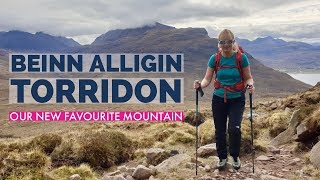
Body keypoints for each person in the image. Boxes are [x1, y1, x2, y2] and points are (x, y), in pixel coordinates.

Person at [193, 29, 254, 170]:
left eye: (228, 42)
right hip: (219, 99)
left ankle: (235, 156)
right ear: (219, 43)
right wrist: (199, 85)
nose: (225, 45)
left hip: (237, 99)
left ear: (233, 42)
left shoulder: (241, 58)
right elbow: (207, 79)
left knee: (234, 129)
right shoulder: (214, 58)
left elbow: (248, 77)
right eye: (222, 42)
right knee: (219, 130)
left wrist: (251, 85)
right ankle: (222, 158)